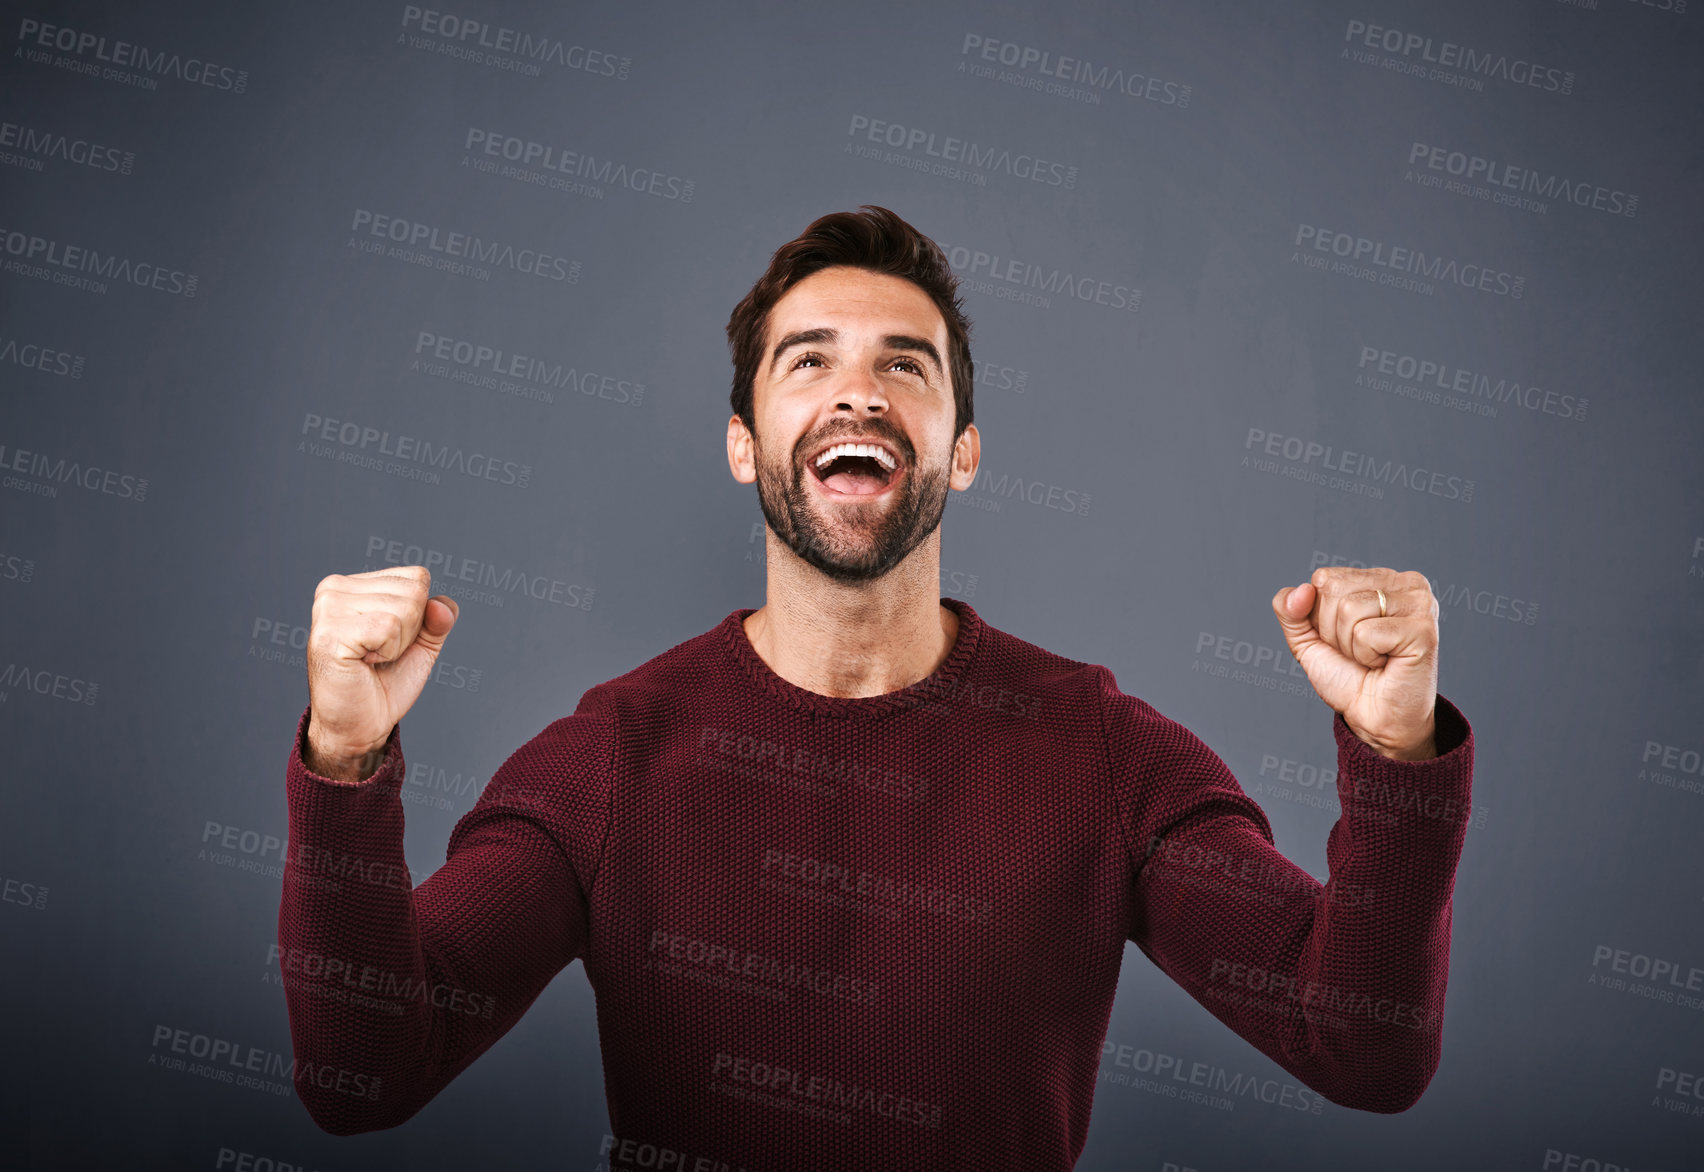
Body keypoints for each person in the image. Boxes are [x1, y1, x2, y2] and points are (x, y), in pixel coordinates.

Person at [280, 205, 1473, 1171]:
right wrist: (342, 758)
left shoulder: (1104, 754)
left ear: (961, 447)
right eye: (810, 363)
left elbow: (1360, 1049)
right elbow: (363, 1072)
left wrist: (1398, 754)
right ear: (745, 440)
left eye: (905, 367)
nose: (859, 395)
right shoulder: (608, 761)